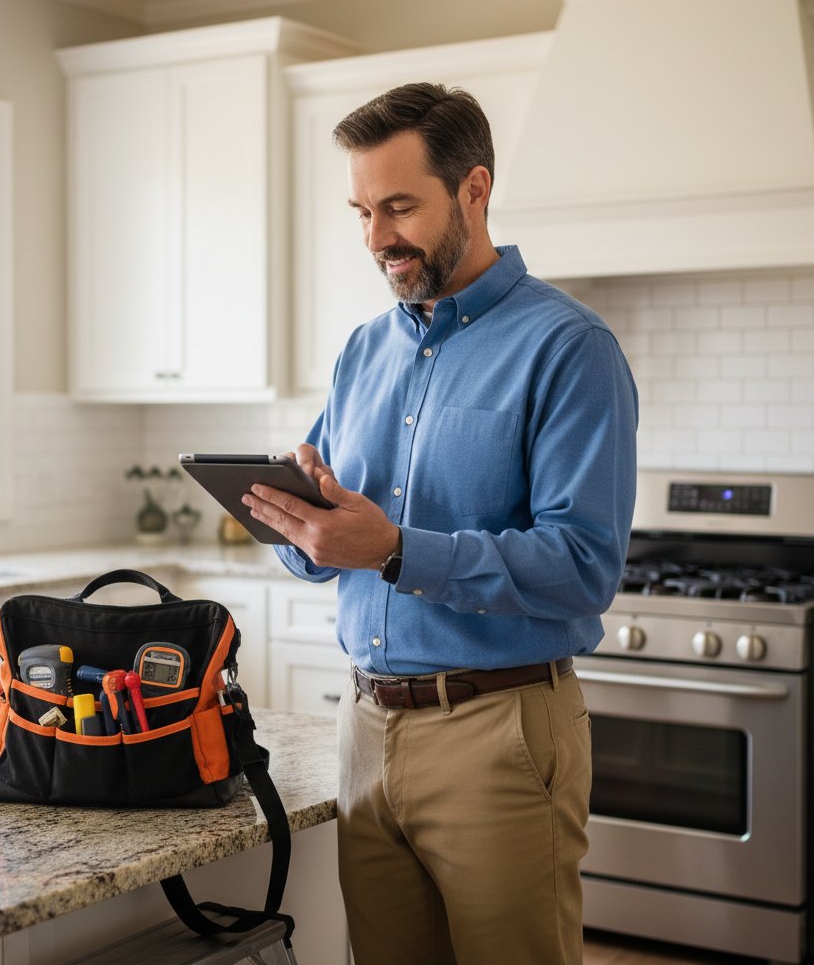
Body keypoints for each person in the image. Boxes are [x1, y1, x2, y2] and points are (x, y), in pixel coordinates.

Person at [242, 82, 638, 965]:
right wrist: (304, 521)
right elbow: (325, 553)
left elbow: (582, 567)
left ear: (474, 190)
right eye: (361, 212)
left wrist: (391, 549)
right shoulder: (362, 350)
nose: (378, 238)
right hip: (366, 731)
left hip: (498, 733)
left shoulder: (569, 349)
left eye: (399, 207)